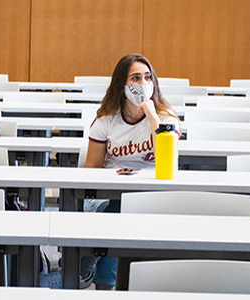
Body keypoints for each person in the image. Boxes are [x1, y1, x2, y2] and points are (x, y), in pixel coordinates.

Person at [82, 54, 180, 290]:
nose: (143, 84)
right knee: (121, 209)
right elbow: (91, 171)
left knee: (126, 209)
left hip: (150, 196)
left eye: (148, 78)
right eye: (135, 78)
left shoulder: (166, 118)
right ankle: (101, 280)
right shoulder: (106, 120)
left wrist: (151, 114)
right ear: (121, 85)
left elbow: (169, 161)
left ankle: (85, 265)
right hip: (107, 197)